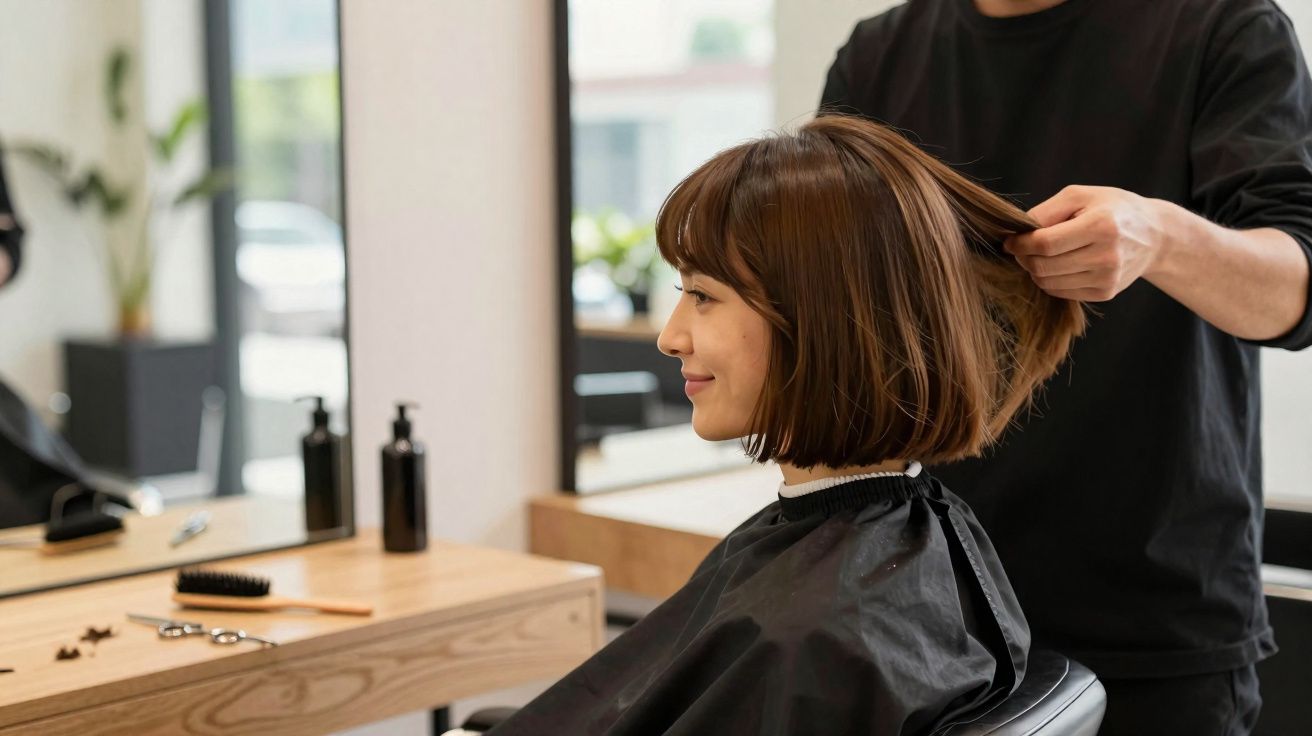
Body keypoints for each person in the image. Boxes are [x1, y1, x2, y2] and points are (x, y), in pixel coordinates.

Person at [488, 116, 1084, 734]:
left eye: (703, 295)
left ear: (818, 321)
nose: (669, 336)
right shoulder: (917, 539)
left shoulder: (817, 633)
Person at [818, 0, 1312, 733]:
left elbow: (1296, 291)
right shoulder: (879, 54)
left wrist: (1161, 236)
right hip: (926, 621)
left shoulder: (1223, 26)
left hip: (1156, 629)